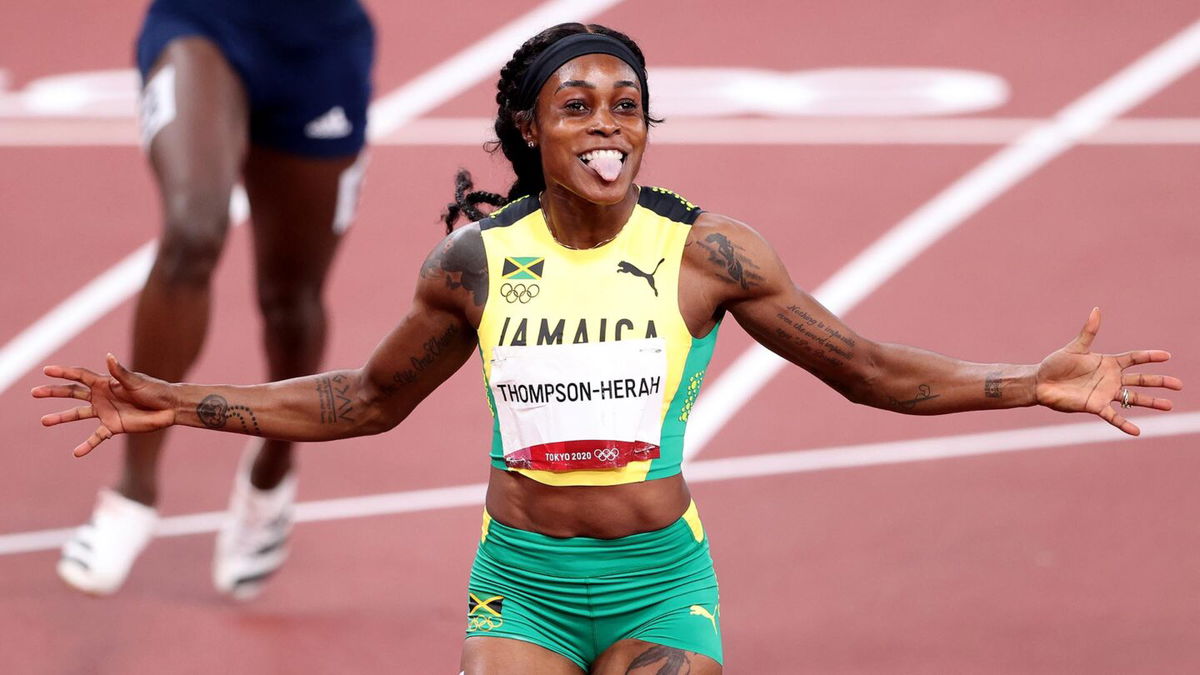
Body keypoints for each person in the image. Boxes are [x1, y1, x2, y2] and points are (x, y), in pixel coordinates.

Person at [35, 22, 1181, 675]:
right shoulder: (475, 266)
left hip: (658, 581)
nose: (606, 124)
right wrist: (183, 405)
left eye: (625, 104)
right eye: (576, 106)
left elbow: (868, 370)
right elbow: (363, 400)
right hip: (523, 585)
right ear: (529, 132)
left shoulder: (711, 257)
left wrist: (1029, 383)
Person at [56, 0, 374, 598]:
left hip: (321, 48)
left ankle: (271, 475)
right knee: (193, 231)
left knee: (291, 300)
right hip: (203, 22)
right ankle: (133, 492)